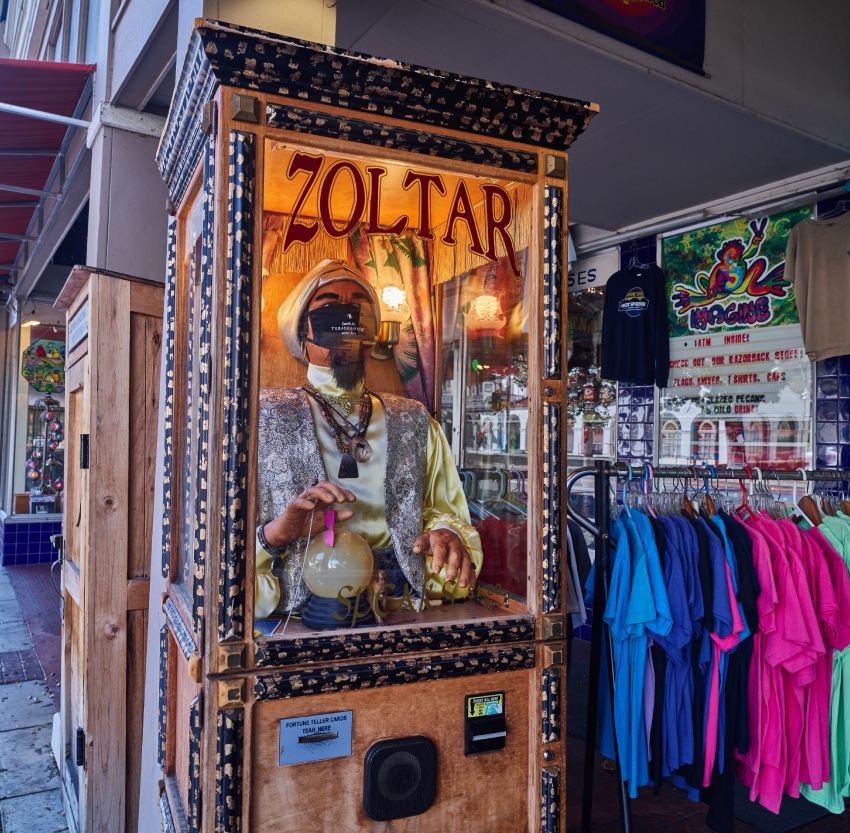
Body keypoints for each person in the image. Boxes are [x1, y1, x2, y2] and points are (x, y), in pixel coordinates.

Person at [255, 259, 483, 619]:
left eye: (359, 309)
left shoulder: (412, 419)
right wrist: (275, 536)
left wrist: (443, 533)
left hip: (402, 611)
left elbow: (446, 510)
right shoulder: (262, 416)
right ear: (302, 330)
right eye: (329, 307)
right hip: (301, 619)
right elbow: (220, 553)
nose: (347, 319)